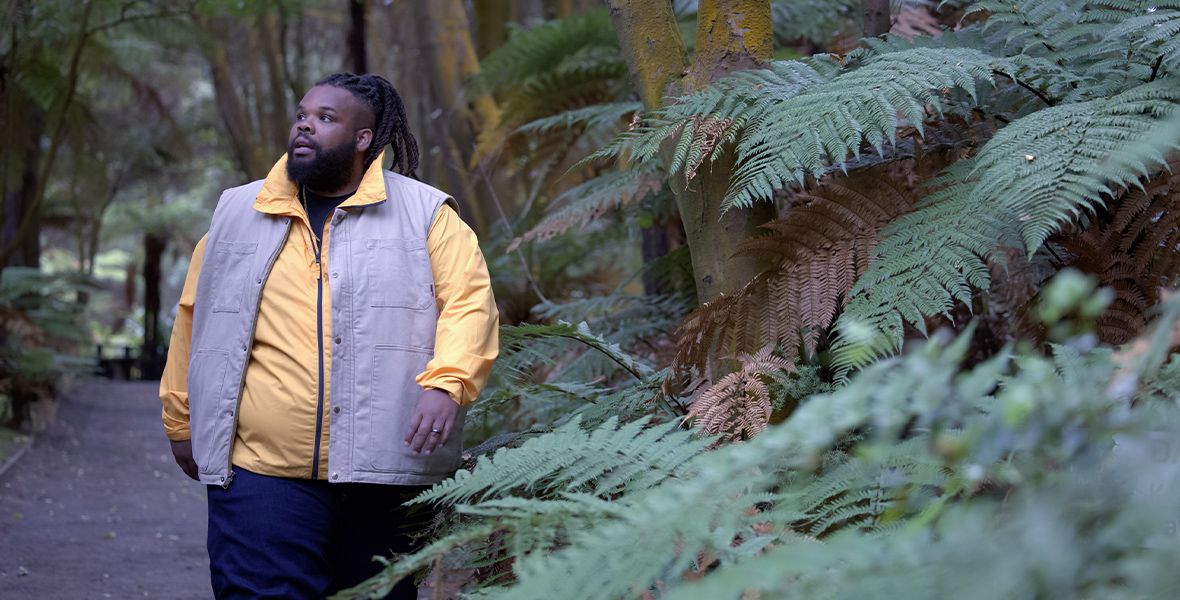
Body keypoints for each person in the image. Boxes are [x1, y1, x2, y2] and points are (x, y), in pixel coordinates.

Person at [159, 73, 498, 600]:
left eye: (325, 118)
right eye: (301, 115)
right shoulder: (235, 213)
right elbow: (195, 319)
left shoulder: (429, 216)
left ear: (364, 139)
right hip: (260, 470)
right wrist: (180, 416)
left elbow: (469, 304)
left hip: (387, 469)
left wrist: (446, 383)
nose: (304, 126)